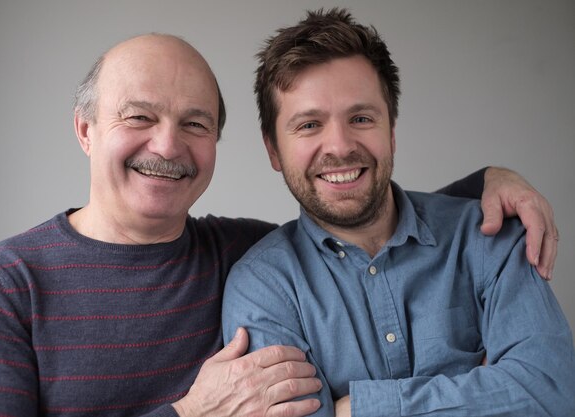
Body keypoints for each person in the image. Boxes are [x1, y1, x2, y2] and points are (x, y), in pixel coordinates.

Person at [0, 33, 559, 417]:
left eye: (194, 123)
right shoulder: (5, 283)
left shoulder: (239, 247)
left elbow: (361, 212)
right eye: (138, 116)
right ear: (85, 130)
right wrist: (189, 415)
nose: (168, 144)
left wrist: (487, 183)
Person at [222, 8, 575, 417]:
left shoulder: (488, 235)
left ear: (390, 132)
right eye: (309, 125)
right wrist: (484, 393)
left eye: (361, 118)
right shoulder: (262, 286)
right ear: (273, 150)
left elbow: (552, 391)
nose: (339, 146)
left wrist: (360, 409)